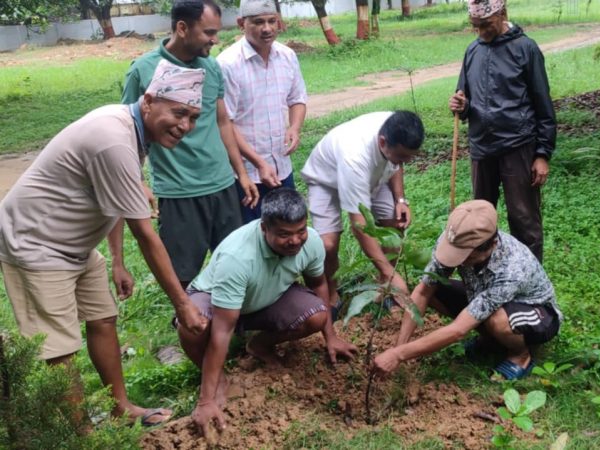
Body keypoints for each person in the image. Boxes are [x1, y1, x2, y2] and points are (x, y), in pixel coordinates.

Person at [0, 59, 210, 427]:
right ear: (148, 101)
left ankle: (120, 408)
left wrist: (116, 260)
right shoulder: (113, 139)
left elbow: (112, 197)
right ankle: (82, 433)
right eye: (179, 112)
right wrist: (183, 304)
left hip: (75, 244)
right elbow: (146, 235)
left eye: (193, 117)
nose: (185, 126)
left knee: (103, 318)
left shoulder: (130, 127)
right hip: (34, 242)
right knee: (60, 348)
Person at [121, 0, 279, 288]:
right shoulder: (143, 71)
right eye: (208, 32)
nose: (215, 39)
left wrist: (241, 174)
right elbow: (127, 132)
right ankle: (190, 327)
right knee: (183, 276)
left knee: (236, 267)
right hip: (179, 193)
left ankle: (234, 330)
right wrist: (137, 181)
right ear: (182, 28)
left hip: (222, 188)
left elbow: (222, 122)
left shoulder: (211, 68)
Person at [177, 188, 357, 436]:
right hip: (217, 302)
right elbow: (222, 329)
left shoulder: (312, 241)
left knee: (317, 315)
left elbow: (318, 284)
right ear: (264, 228)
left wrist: (331, 337)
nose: (295, 241)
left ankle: (258, 345)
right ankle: (218, 378)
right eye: (284, 234)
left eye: (300, 231)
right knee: (191, 325)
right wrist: (205, 400)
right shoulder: (238, 258)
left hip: (266, 297)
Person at [372, 200, 563, 380]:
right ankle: (491, 340)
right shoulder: (453, 239)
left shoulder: (512, 269)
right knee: (433, 288)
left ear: (491, 245)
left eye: (466, 256)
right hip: (483, 296)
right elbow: (423, 292)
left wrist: (398, 355)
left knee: (498, 320)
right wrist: (400, 346)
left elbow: (458, 330)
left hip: (537, 313)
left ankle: (520, 355)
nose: (458, 261)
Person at [448, 0, 557, 263]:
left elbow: (543, 103)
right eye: (476, 26)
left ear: (503, 13)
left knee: (523, 218)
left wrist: (542, 154)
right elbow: (464, 99)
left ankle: (530, 282)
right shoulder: (473, 50)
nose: (481, 32)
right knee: (481, 217)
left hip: (518, 146)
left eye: (486, 25)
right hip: (482, 148)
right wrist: (460, 106)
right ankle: (486, 274)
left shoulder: (525, 49)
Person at [300, 111, 425, 311]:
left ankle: (384, 288)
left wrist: (400, 199)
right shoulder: (354, 157)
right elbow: (360, 226)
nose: (406, 162)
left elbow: (396, 163)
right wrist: (390, 273)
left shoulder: (397, 128)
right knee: (328, 244)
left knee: (395, 224)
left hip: (375, 173)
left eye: (410, 157)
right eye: (402, 156)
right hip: (326, 179)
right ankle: (331, 296)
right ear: (382, 142)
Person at [217, 0, 308, 223]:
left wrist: (295, 127)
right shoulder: (227, 64)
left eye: (271, 21)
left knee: (287, 229)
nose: (266, 29)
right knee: (253, 235)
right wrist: (258, 162)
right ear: (241, 23)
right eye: (258, 22)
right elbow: (225, 122)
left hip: (282, 167)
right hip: (246, 173)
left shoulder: (287, 56)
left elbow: (297, 98)